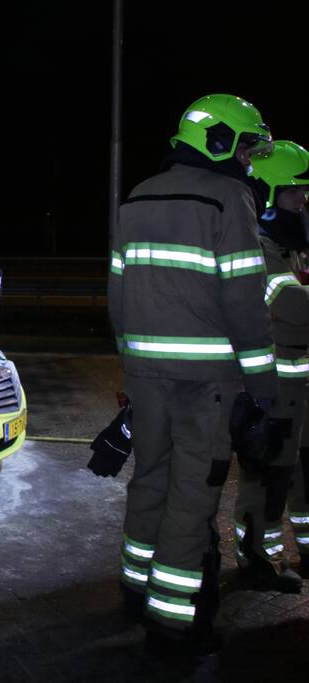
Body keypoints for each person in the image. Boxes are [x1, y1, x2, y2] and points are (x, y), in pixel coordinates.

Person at [108, 94, 277, 654]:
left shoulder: (135, 197)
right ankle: (174, 622)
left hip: (145, 375)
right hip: (206, 383)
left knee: (150, 476)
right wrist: (265, 391)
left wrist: (130, 363)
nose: (251, 160)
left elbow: (116, 294)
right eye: (248, 147)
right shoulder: (230, 198)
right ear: (221, 141)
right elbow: (246, 307)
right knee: (193, 493)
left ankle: (135, 588)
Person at [233, 140, 309, 591]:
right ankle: (258, 557)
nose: (303, 201)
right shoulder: (259, 247)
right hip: (274, 386)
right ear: (268, 194)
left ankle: (303, 546)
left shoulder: (296, 244)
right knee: (268, 476)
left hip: (301, 385)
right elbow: (291, 306)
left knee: (303, 474)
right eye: (294, 192)